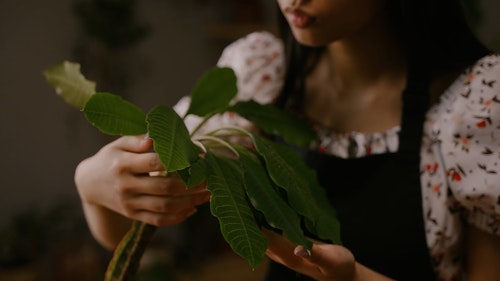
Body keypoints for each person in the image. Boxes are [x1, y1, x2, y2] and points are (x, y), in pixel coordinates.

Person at [74, 0, 500, 280]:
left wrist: (354, 279)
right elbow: (130, 230)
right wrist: (92, 186)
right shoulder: (263, 76)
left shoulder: (477, 105)